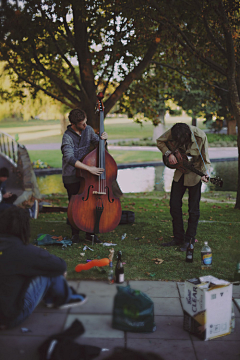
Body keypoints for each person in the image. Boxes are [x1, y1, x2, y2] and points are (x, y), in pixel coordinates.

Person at [0, 207, 87, 330]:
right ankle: (62, 298)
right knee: (49, 269)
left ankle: (53, 295)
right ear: (24, 227)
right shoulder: (23, 251)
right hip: (8, 318)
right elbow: (60, 266)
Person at [157, 123, 210, 251]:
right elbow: (160, 141)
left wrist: (205, 174)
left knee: (193, 209)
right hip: (180, 172)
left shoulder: (200, 137)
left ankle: (189, 240)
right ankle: (178, 238)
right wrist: (169, 154)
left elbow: (205, 159)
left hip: (195, 173)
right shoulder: (175, 130)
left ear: (187, 136)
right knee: (174, 205)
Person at [61, 108, 108, 244]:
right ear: (74, 124)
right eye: (82, 124)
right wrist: (89, 168)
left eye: (85, 122)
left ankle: (90, 233)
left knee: (90, 204)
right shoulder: (67, 137)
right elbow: (69, 158)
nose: (85, 126)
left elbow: (98, 144)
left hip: (87, 176)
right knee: (74, 206)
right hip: (71, 175)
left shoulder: (88, 130)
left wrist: (103, 140)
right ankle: (75, 234)